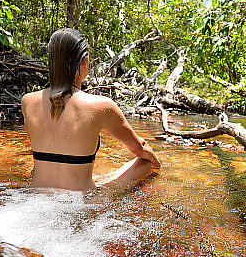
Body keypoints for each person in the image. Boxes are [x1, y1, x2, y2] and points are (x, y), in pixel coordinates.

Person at [21, 28, 161, 191]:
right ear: (85, 61)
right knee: (146, 163)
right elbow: (140, 148)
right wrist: (158, 165)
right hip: (80, 202)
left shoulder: (28, 101)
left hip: (35, 194)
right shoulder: (100, 105)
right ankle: (101, 192)